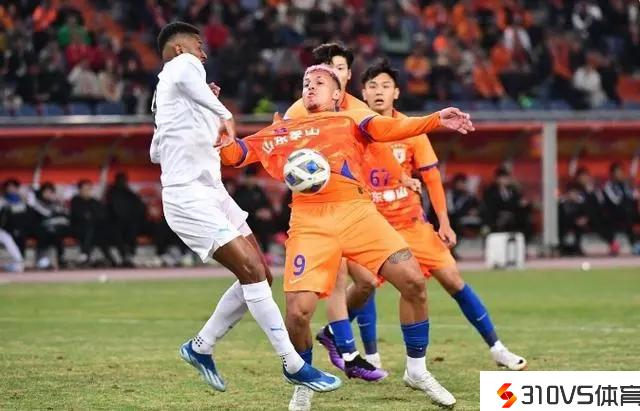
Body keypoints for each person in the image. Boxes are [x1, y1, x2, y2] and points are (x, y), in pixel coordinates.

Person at [220, 64, 475, 409]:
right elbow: (236, 155)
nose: (310, 87)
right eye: (306, 83)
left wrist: (434, 120)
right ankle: (304, 380)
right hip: (310, 222)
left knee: (414, 282)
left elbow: (390, 127)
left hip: (357, 213)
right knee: (298, 313)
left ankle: (416, 370)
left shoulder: (352, 119)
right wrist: (219, 130)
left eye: (320, 82)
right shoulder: (283, 130)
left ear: (338, 94)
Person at [149, 22, 340, 394]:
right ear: (179, 49)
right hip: (189, 198)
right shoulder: (181, 65)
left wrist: (199, 113)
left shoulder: (171, 96)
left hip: (213, 192)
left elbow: (156, 151)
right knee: (251, 271)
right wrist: (223, 114)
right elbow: (192, 97)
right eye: (198, 46)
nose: (204, 53)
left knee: (261, 274)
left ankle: (200, 347)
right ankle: (293, 363)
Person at [316, 59, 526, 381]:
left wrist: (444, 222)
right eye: (372, 86)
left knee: (454, 281)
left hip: (411, 223)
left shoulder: (411, 129)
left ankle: (497, 348)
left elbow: (431, 177)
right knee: (365, 285)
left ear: (397, 92)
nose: (379, 91)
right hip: (370, 224)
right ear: (363, 93)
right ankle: (369, 354)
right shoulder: (353, 128)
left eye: (385, 86)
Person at [70, 180, 116, 267]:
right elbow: (80, 216)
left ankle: (109, 259)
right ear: (80, 190)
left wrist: (92, 216)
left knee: (100, 233)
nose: (87, 191)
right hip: (78, 228)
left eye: (89, 189)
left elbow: (102, 215)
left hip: (94, 229)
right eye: (85, 189)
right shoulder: (75, 201)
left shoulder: (94, 201)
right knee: (90, 229)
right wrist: (91, 217)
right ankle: (86, 255)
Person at [602, 163, 640, 255]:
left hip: (629, 211)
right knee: (626, 213)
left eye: (621, 172)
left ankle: (636, 243)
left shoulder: (626, 184)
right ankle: (634, 244)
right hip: (614, 213)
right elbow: (616, 201)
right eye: (617, 173)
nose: (620, 175)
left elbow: (635, 196)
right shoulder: (608, 186)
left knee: (630, 211)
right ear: (612, 174)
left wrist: (633, 187)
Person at [31, 182, 71, 269]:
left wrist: (60, 204)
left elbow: (65, 214)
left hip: (53, 229)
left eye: (51, 192)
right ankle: (41, 261)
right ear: (41, 193)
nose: (48, 194)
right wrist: (57, 216)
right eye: (46, 192)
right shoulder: (37, 203)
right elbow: (47, 214)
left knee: (57, 234)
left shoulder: (56, 203)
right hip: (37, 228)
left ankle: (61, 260)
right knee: (46, 234)